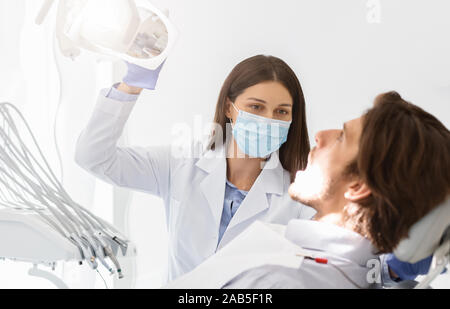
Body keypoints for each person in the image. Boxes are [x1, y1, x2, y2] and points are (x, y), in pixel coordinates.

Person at [165, 91, 450, 288]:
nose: (320, 135)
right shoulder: (341, 266)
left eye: (341, 138)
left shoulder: (278, 281)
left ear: (359, 186)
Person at [74, 55, 314, 282]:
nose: (268, 120)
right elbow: (94, 157)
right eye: (256, 107)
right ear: (229, 108)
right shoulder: (181, 163)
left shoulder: (301, 197)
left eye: (281, 111)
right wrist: (131, 85)